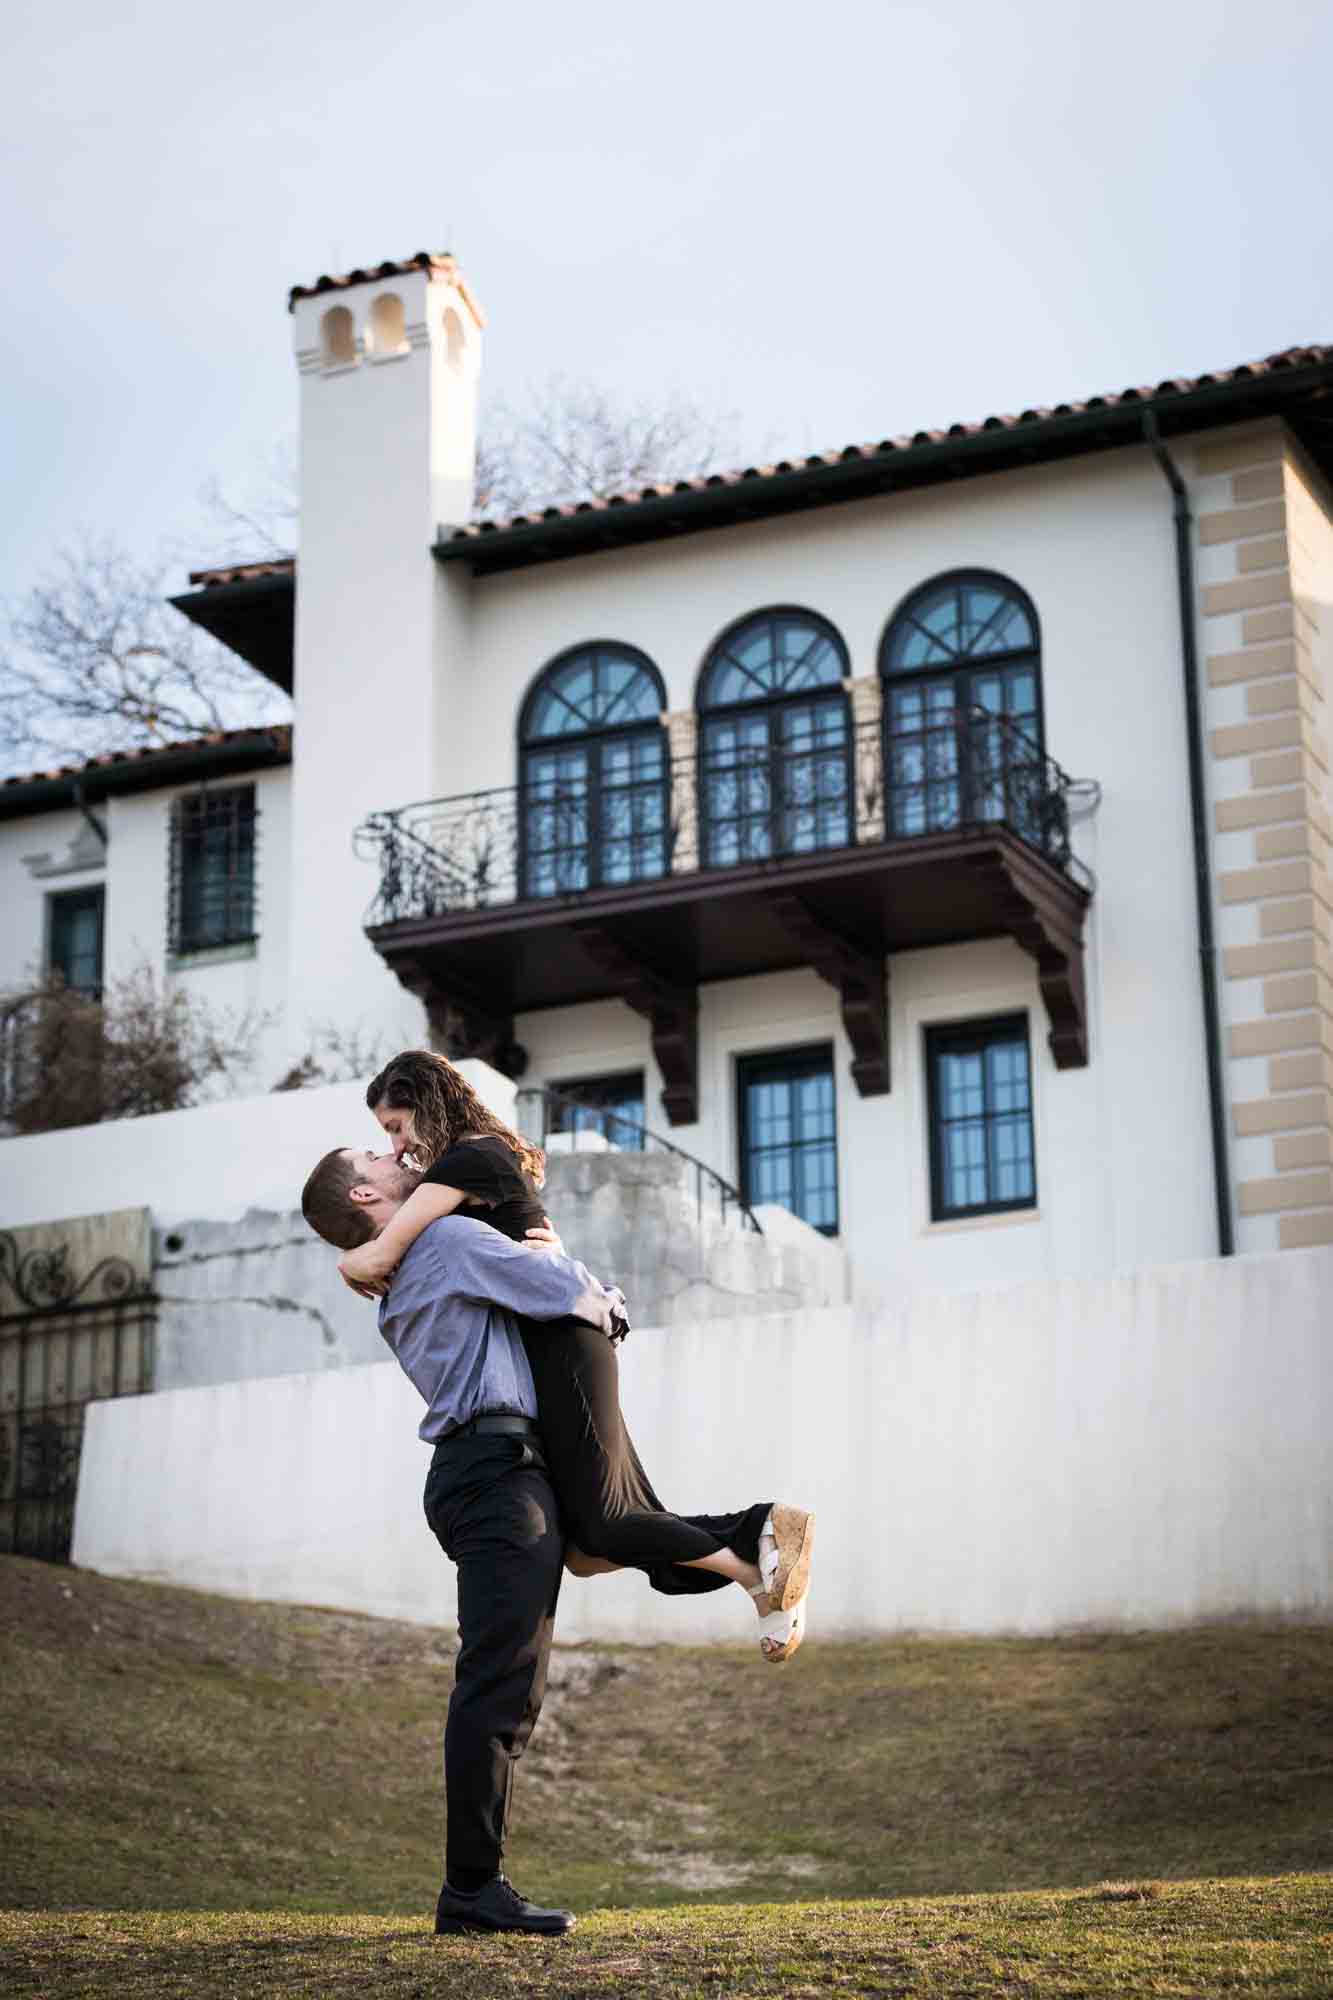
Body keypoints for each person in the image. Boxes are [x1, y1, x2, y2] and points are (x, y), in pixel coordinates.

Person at [339, 1051, 813, 1661]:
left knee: (611, 1520)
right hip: (555, 1338)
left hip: (564, 1340)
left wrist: (350, 1258)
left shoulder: (468, 1157)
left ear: (426, 1105)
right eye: (387, 1138)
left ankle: (760, 1541)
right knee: (588, 1550)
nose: (400, 1147)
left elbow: (384, 1253)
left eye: (396, 1127)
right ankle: (756, 1563)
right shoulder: (472, 1166)